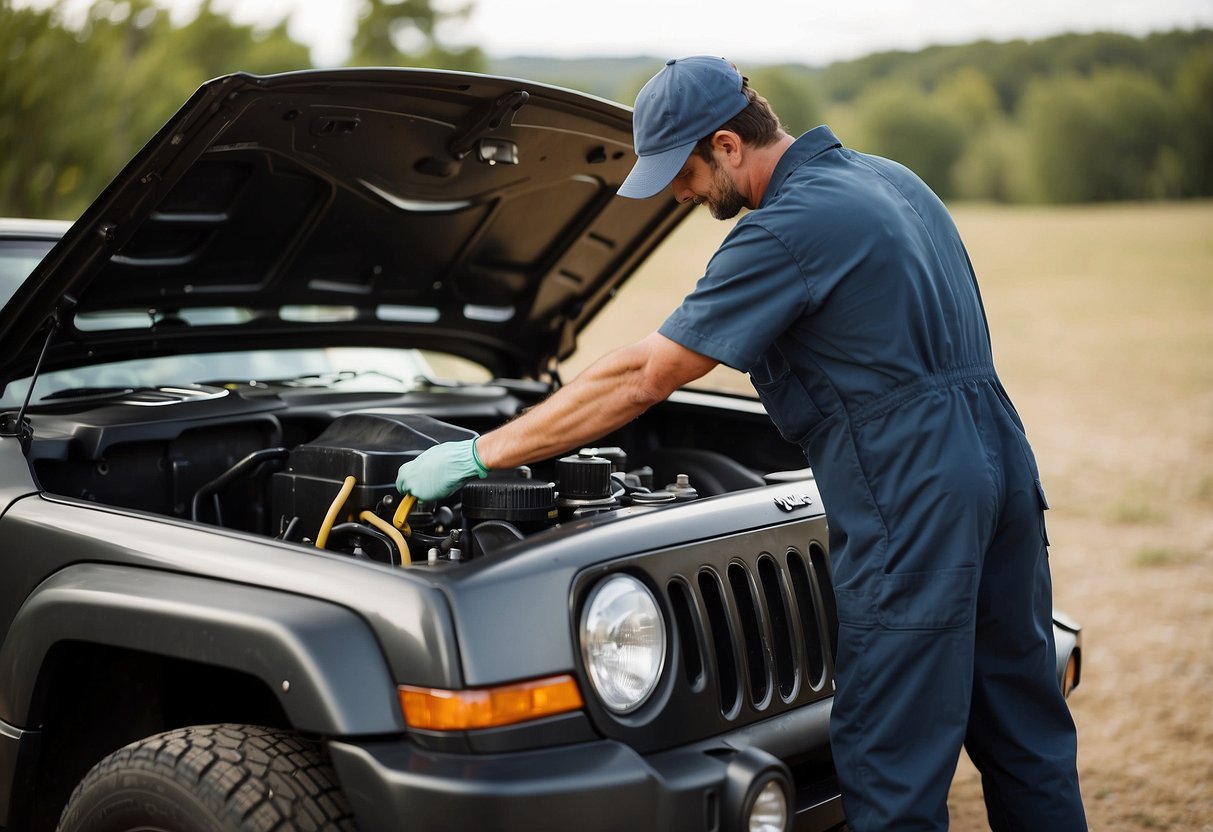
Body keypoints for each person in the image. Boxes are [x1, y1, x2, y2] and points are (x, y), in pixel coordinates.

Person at [396, 55, 1088, 831]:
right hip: (998, 459)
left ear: (726, 145)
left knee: (892, 754)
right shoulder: (892, 180)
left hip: (910, 486)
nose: (680, 195)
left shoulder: (784, 229)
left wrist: (480, 454)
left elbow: (642, 378)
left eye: (682, 174)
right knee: (1024, 729)